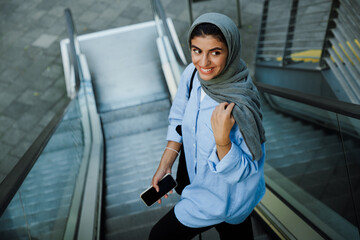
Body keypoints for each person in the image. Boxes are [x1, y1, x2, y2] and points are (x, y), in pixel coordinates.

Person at [149, 12, 266, 240]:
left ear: (230, 51)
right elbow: (179, 117)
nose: (204, 63)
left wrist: (223, 141)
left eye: (215, 52)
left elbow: (246, 172)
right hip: (194, 182)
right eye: (197, 51)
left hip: (223, 199)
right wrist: (167, 162)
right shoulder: (193, 75)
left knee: (159, 237)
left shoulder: (239, 104)